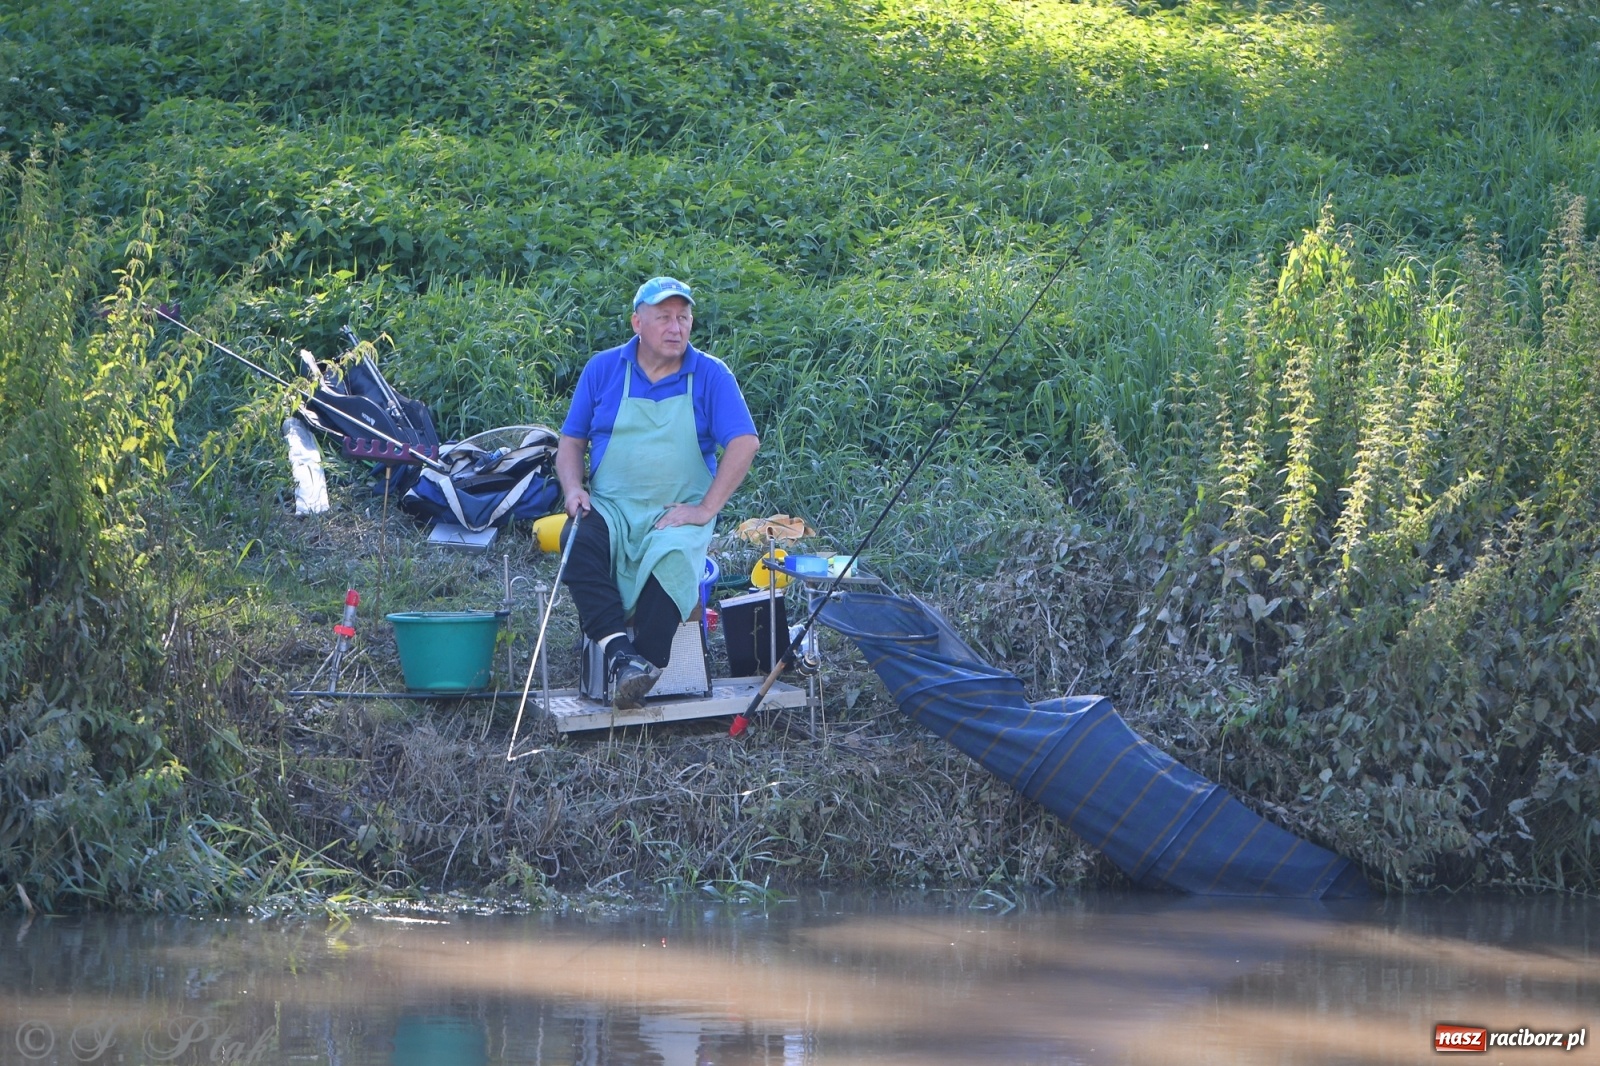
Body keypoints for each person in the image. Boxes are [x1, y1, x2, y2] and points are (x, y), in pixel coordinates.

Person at [556, 277, 760, 709]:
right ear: (637, 323)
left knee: (671, 559)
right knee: (576, 537)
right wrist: (573, 489)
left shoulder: (710, 374)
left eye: (683, 317)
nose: (676, 328)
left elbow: (745, 441)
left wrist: (706, 509)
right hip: (611, 508)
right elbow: (571, 441)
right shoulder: (603, 369)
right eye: (663, 317)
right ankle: (617, 653)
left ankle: (643, 665)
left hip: (675, 513)